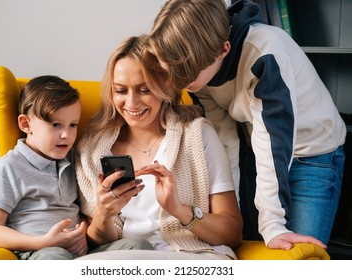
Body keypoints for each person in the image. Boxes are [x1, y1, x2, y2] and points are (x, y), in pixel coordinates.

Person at [143, 0, 346, 250]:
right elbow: (224, 136)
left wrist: (272, 224)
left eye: (188, 75)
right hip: (258, 148)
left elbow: (273, 141)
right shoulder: (197, 74)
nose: (179, 83)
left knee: (297, 254)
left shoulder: (265, 53)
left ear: (223, 50)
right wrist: (230, 209)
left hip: (312, 156)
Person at [75, 35, 243, 260]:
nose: (132, 103)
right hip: (124, 259)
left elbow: (233, 233)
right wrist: (103, 215)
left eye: (144, 90)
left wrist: (180, 210)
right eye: (121, 91)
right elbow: (95, 243)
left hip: (194, 257)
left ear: (164, 86)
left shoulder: (196, 135)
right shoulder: (91, 150)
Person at [0, 75, 88, 260]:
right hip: (40, 253)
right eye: (56, 125)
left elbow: (86, 210)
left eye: (73, 125)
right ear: (26, 124)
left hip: (81, 252)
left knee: (137, 246)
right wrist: (44, 242)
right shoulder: (8, 167)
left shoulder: (75, 159)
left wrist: (83, 232)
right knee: (55, 257)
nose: (66, 135)